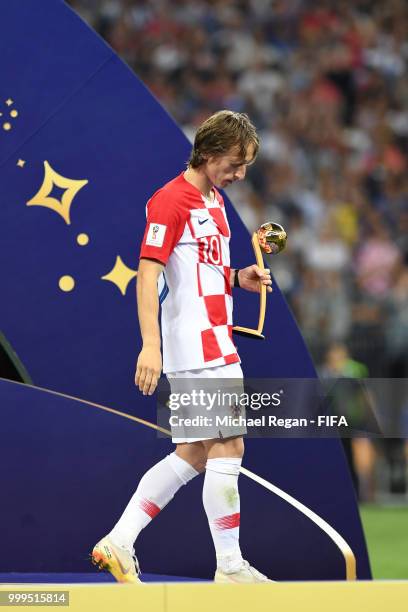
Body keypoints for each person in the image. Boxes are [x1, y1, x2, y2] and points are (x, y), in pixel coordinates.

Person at [91, 110, 273, 583]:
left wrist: (239, 277)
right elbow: (148, 274)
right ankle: (230, 567)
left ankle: (119, 540)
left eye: (245, 165)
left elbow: (200, 272)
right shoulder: (170, 201)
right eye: (235, 164)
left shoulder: (213, 202)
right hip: (196, 344)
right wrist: (150, 345)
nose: (240, 174)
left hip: (215, 338)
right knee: (229, 443)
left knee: (195, 452)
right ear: (209, 154)